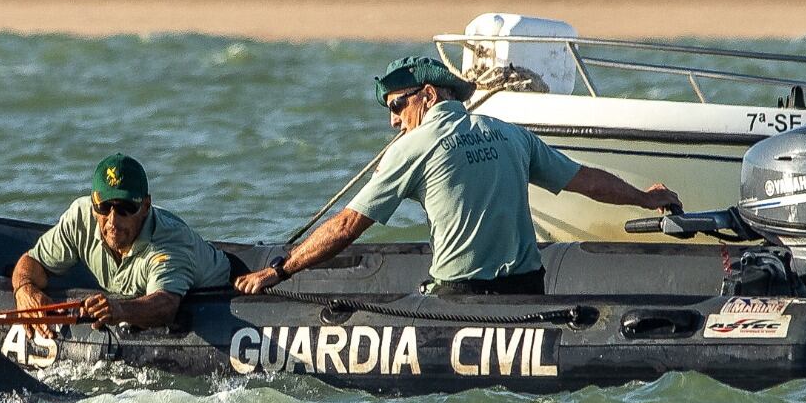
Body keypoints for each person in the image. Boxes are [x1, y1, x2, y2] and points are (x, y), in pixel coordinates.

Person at [235, 56, 683, 297]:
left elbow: (348, 226)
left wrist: (280, 269)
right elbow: (585, 180)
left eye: (396, 106)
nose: (393, 122)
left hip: (463, 297)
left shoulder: (413, 147)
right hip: (527, 290)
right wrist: (644, 198)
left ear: (427, 95)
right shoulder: (509, 133)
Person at [12, 153, 231, 328]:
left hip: (218, 295)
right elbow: (32, 262)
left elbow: (165, 304)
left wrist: (120, 311)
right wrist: (24, 289)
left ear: (145, 207)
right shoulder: (80, 217)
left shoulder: (169, 244)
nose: (113, 221)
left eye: (126, 208)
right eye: (104, 207)